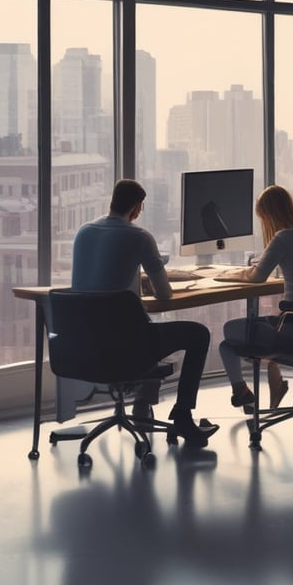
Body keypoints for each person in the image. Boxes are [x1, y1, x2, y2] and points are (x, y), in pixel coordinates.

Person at [71, 179, 218, 447]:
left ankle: (143, 404)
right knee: (198, 334)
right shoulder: (139, 237)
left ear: (112, 202)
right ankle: (182, 416)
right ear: (137, 208)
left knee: (147, 327)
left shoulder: (84, 232)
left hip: (85, 344)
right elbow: (164, 294)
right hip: (126, 344)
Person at [218, 185, 293, 410]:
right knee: (263, 328)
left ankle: (242, 392)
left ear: (268, 215)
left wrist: (230, 274)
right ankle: (272, 383)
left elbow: (257, 277)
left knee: (228, 336)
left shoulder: (282, 238)